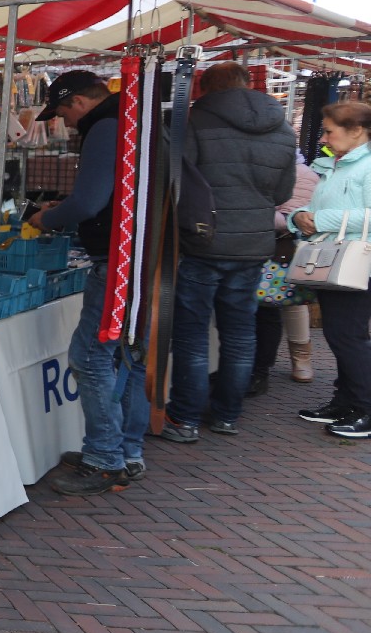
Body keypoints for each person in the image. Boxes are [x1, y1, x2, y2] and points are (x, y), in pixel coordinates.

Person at [155, 63, 296, 440]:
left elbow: (177, 181)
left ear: (204, 87)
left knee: (192, 333)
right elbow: (283, 193)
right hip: (253, 243)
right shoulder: (282, 128)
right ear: (247, 84)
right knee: (240, 332)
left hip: (203, 239)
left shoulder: (195, 121)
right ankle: (227, 415)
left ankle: (185, 418)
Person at [27, 69, 146, 496]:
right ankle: (125, 452)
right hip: (141, 258)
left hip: (118, 260)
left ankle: (104, 459)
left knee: (91, 357)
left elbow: (90, 201)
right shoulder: (130, 118)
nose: (66, 122)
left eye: (62, 113)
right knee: (128, 357)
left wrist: (48, 217)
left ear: (77, 102)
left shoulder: (104, 125)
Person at [289, 101, 371, 438]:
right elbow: (322, 205)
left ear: (357, 131)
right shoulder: (338, 164)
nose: (323, 138)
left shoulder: (364, 166)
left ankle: (364, 408)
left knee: (347, 335)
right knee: (341, 335)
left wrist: (318, 219)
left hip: (356, 263)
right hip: (336, 260)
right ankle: (346, 402)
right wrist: (299, 216)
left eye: (328, 131)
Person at [248, 158, 319, 395]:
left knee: (280, 305)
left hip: (281, 251)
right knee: (273, 306)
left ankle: (299, 358)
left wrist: (249, 212)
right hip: (258, 248)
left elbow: (292, 219)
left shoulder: (302, 173)